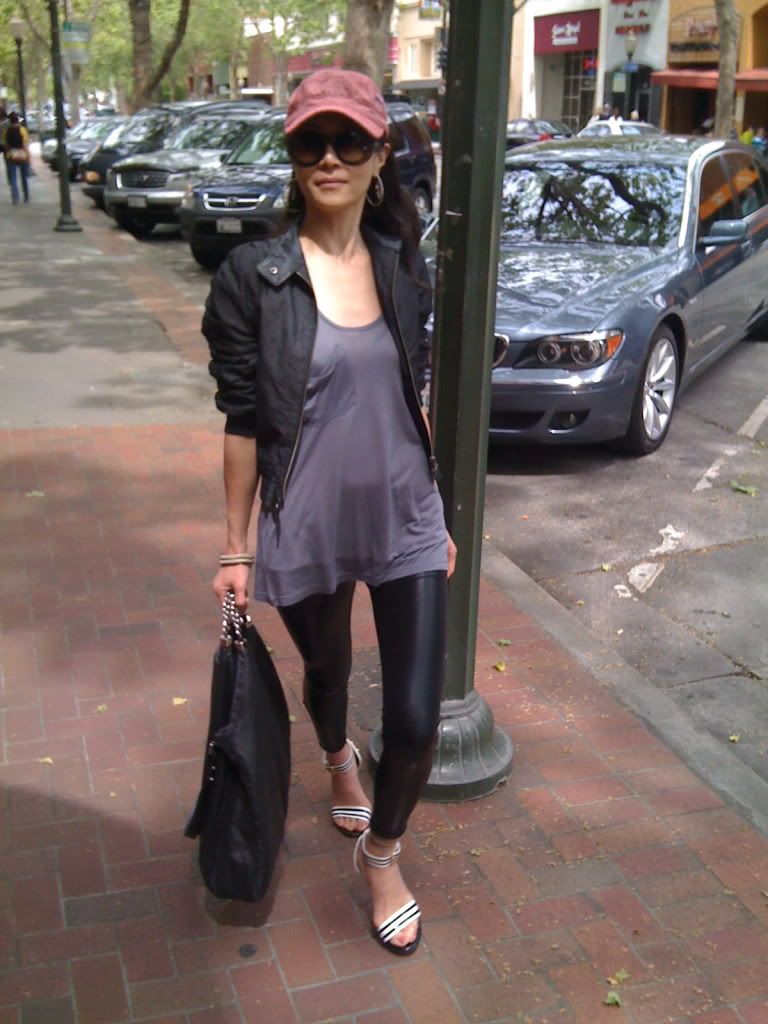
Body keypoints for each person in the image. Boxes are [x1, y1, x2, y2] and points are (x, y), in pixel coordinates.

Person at [202, 68, 456, 957]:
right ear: (293, 156)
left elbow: (412, 390)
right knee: (328, 671)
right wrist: (236, 548)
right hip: (305, 516)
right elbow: (243, 419)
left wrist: (437, 510)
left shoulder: (401, 262)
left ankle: (382, 855)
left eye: (350, 140)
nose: (331, 157)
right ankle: (337, 758)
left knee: (416, 719)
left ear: (380, 155)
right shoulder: (254, 276)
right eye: (312, 141)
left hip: (404, 515)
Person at [4, 111, 31, 205]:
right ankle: (26, 197)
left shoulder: (7, 131)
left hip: (11, 156)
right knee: (24, 177)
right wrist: (28, 157)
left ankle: (15, 198)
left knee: (13, 178)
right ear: (18, 120)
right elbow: (25, 144)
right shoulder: (22, 130)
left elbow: (6, 145)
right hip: (22, 155)